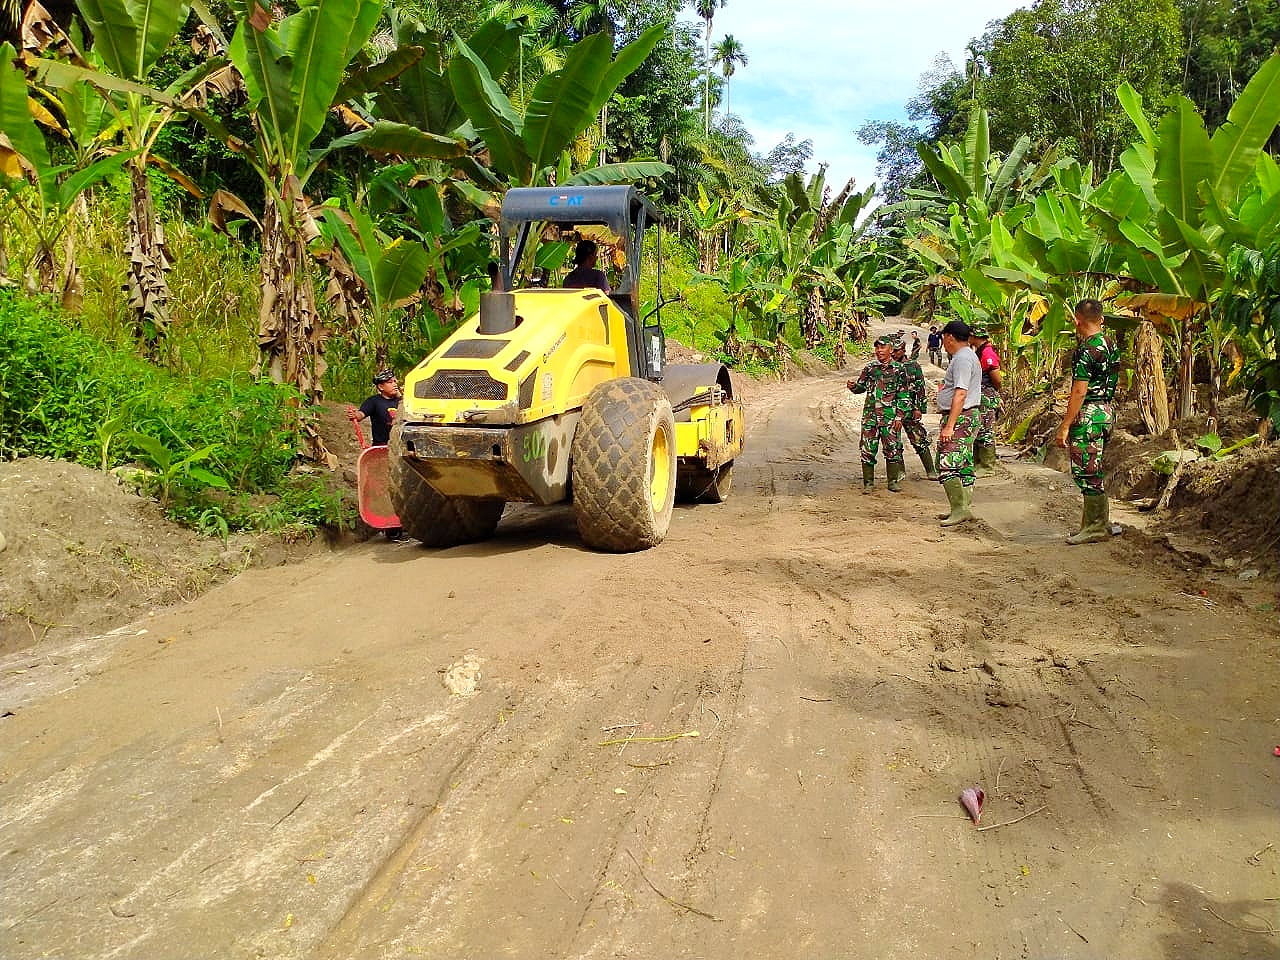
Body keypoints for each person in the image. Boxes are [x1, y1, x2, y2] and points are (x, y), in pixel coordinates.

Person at [1055, 299, 1121, 544]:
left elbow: (1080, 391)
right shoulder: (1111, 345)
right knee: (1094, 468)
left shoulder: (1086, 350)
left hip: (1089, 414)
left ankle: (1095, 526)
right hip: (1106, 411)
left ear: (1076, 321)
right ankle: (1096, 523)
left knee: (1086, 471)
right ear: (1101, 319)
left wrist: (1065, 424)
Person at [935, 320, 982, 526]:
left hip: (961, 416)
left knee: (947, 463)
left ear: (949, 337)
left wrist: (950, 425)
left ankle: (959, 508)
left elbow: (961, 393)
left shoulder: (962, 359)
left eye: (944, 338)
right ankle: (963, 508)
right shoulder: (968, 356)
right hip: (966, 416)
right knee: (963, 463)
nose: (943, 342)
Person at [847, 336, 907, 493]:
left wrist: (900, 416)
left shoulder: (899, 370)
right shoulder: (870, 368)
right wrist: (853, 387)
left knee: (893, 449)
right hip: (870, 417)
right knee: (867, 449)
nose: (879, 351)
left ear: (891, 350)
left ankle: (892, 481)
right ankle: (868, 483)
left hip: (890, 417)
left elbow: (903, 395)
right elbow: (861, 387)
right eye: (877, 348)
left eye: (882, 347)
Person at [891, 337, 938, 479]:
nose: (893, 354)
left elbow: (920, 388)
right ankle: (899, 472)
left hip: (910, 409)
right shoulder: (887, 366)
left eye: (896, 351)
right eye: (891, 350)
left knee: (919, 439)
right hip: (893, 410)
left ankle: (931, 470)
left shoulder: (913, 366)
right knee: (894, 442)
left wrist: (919, 408)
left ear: (903, 351)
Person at [970, 323, 1003, 477]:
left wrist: (995, 392)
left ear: (975, 336)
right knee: (979, 428)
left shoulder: (987, 353)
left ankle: (987, 465)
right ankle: (978, 462)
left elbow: (996, 378)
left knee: (986, 430)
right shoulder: (980, 351)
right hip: (981, 394)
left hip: (986, 394)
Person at [349, 368, 401, 447]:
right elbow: (361, 414)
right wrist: (355, 415)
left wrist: (401, 397)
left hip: (401, 445)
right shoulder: (374, 401)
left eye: (395, 381)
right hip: (381, 446)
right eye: (390, 382)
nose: (394, 384)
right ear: (380, 387)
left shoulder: (403, 401)